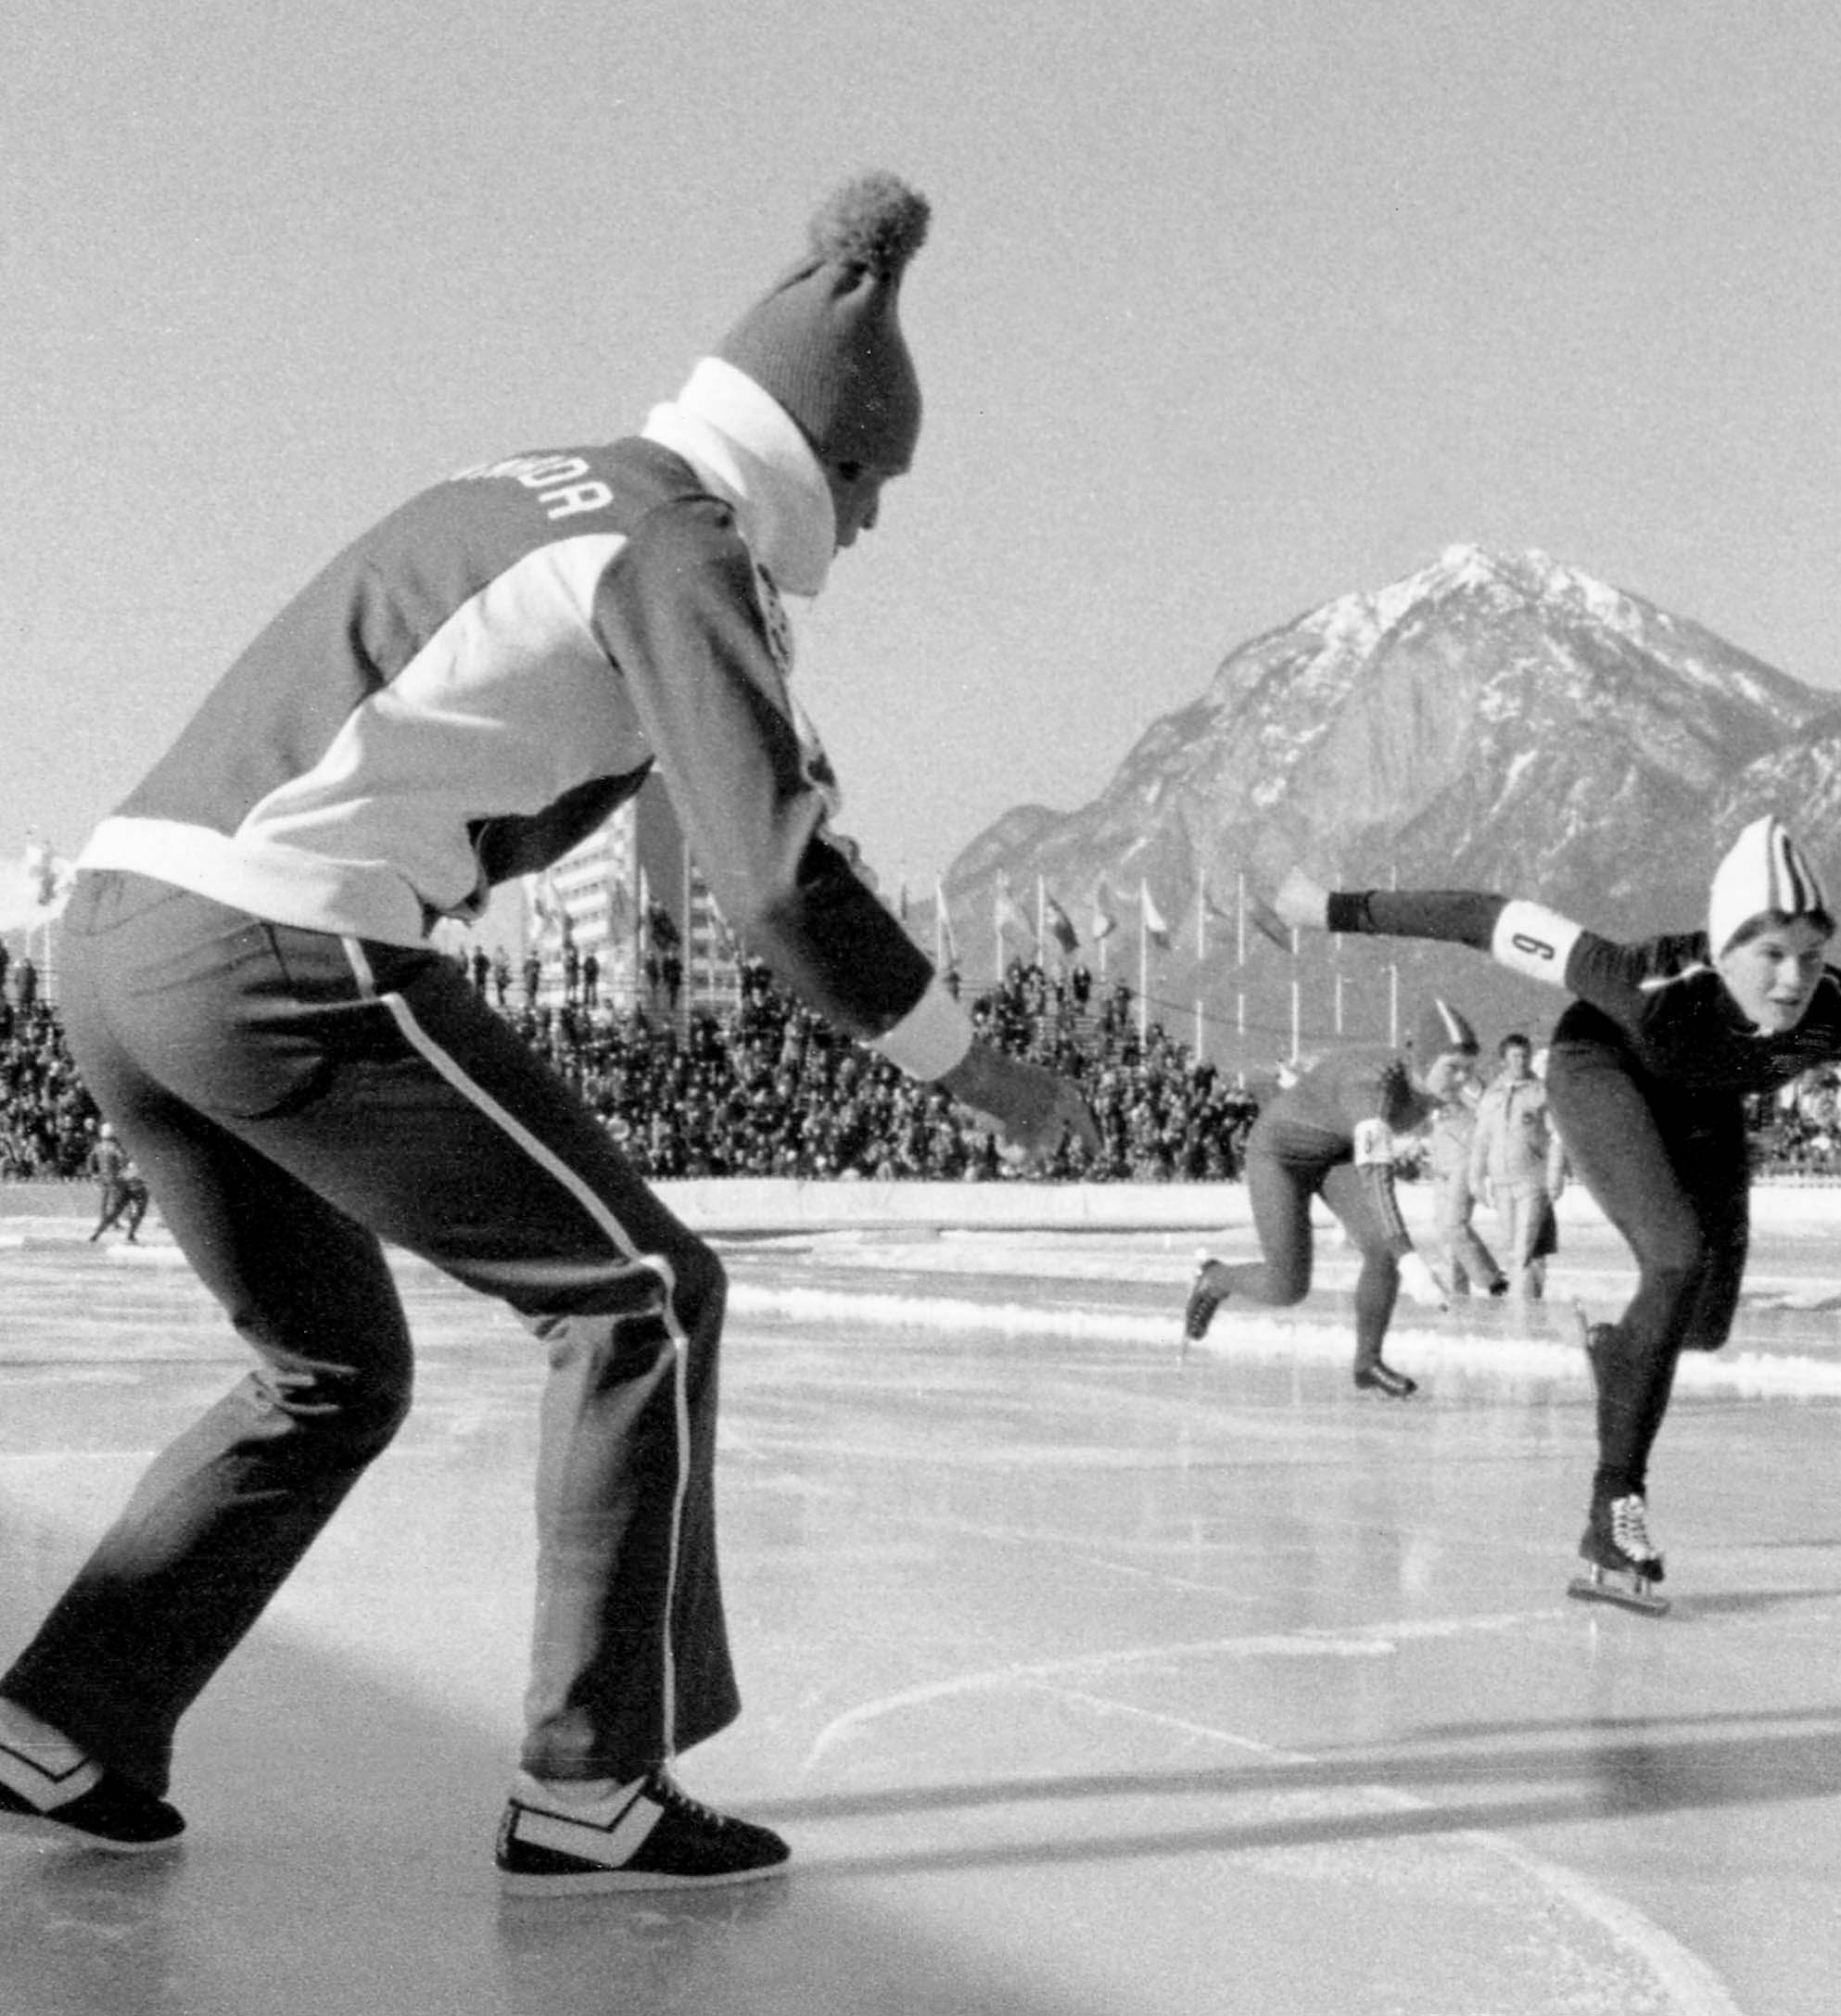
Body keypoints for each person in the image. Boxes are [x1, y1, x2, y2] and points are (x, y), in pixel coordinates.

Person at [0, 173, 1098, 1894]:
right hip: (281, 943)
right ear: (815, 455)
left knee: (330, 1371)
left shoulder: (535, 483)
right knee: (642, 1296)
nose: (874, 527)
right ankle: (592, 1779)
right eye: (874, 486)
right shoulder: (681, 541)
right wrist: (983, 1068)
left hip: (118, 926)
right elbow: (778, 876)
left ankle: (64, 1719)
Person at [1276, 818, 1841, 1606]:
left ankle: (1618, 1354)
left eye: (1811, 956)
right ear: (1724, 949)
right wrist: (1333, 908)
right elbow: (1482, 917)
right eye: (1770, 954)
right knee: (1675, 1257)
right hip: (1601, 1066)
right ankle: (1614, 1507)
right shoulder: (1643, 982)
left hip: (1707, 1100)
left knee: (1702, 1325)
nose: (1793, 980)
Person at [1180, 1046, 1462, 1398]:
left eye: (1468, 1068)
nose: (1463, 1078)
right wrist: (1409, 1258)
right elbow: (1377, 1178)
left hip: (1335, 1153)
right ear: (1425, 1062)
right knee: (1287, 1287)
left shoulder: (1430, 1084)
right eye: (1453, 1068)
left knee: (1381, 1248)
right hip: (1280, 1157)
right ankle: (1213, 1278)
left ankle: (1367, 1362)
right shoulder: (1373, 1090)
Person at [1416, 1001, 1505, 1299]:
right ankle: (1458, 1294)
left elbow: (1487, 1110)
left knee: (1454, 1225)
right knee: (1444, 1231)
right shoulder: (1432, 1086)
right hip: (1442, 1163)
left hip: (1464, 1160)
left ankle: (1492, 1280)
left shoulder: (1466, 1083)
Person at [1471, 1032, 1565, 1299]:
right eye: (1514, 1056)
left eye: (1525, 1056)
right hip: (1502, 1183)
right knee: (1513, 1248)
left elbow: (1557, 1137)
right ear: (1503, 1060)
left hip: (1532, 1181)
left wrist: (1554, 1175)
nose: (1520, 1061)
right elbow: (1481, 1140)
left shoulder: (1540, 1093)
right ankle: (1526, 1301)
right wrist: (1476, 1178)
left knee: (1525, 1247)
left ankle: (1522, 1306)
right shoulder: (1491, 1096)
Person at [83, 1125, 150, 1246]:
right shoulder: (117, 1147)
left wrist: (93, 1173)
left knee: (113, 1208)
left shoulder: (98, 1147)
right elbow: (123, 1160)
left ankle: (97, 1233)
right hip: (128, 1179)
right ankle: (131, 1234)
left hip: (109, 1179)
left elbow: (90, 1160)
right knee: (139, 1207)